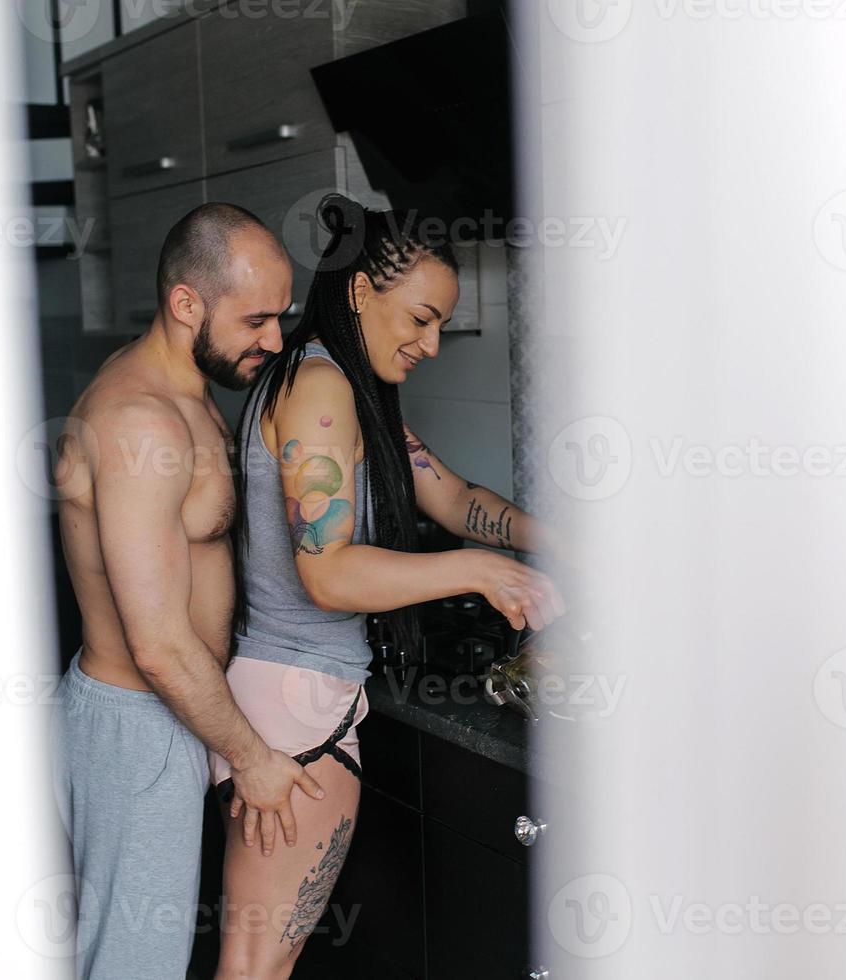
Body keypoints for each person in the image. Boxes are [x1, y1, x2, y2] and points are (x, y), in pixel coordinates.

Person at [211, 196, 567, 977]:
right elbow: (327, 569)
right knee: (256, 967)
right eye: (420, 319)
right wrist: (476, 570)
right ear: (361, 292)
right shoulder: (320, 393)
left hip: (295, 698)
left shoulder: (341, 389)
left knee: (257, 961)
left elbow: (454, 497)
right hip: (295, 709)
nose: (432, 344)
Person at [51, 203, 328, 980]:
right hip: (139, 723)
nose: (273, 340)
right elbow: (158, 642)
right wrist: (253, 756)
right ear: (185, 304)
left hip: (165, 718)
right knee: (134, 965)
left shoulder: (186, 393)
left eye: (282, 317)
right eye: (257, 320)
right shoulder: (142, 424)